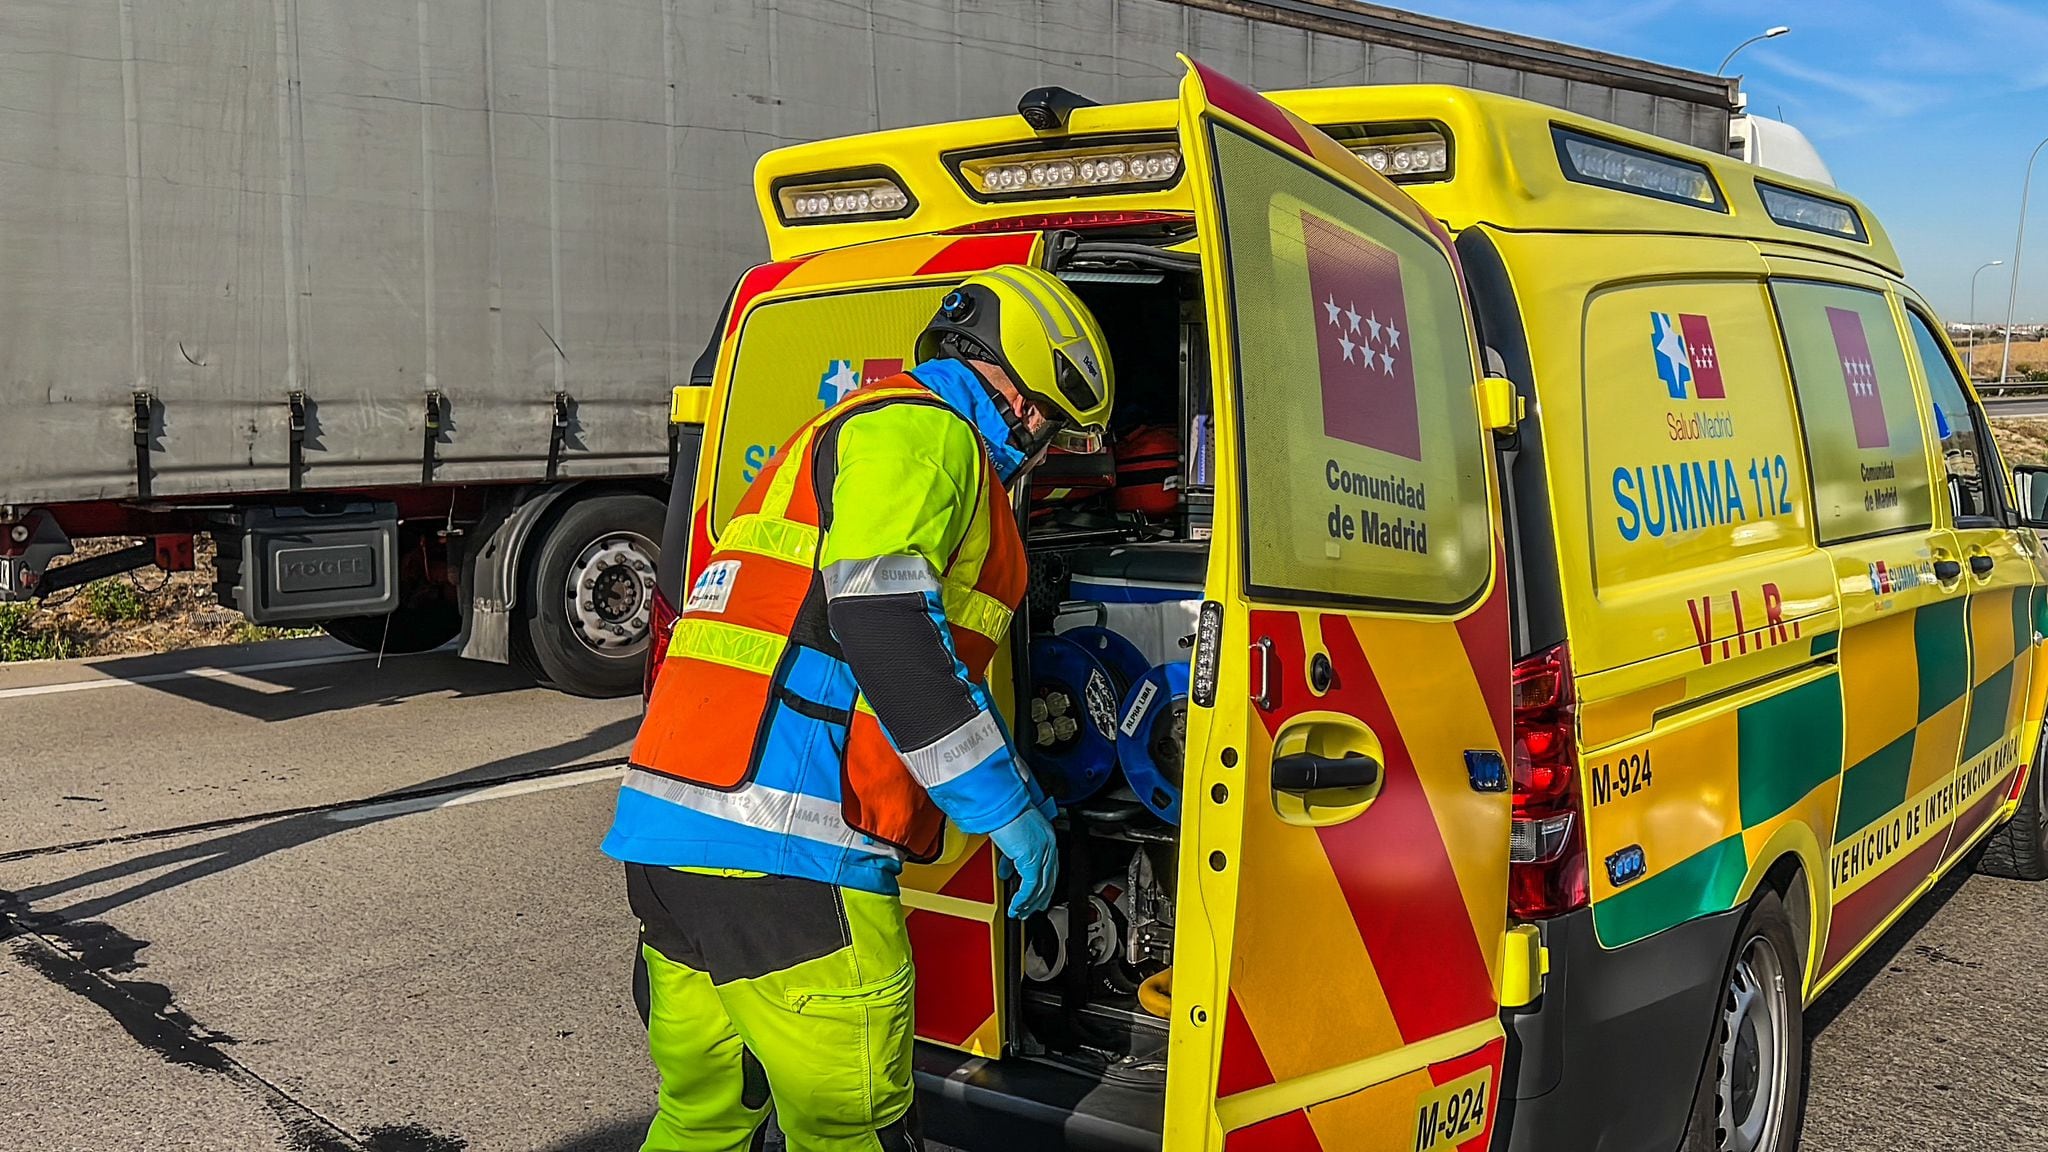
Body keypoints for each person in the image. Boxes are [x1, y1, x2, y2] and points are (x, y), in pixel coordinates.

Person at [605, 264, 1116, 1152]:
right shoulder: (927, 437)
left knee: (703, 1120)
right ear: (1027, 399)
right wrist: (1003, 807)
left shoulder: (838, 432)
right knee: (852, 1132)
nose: (1044, 452)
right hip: (790, 862)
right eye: (1054, 430)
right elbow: (885, 625)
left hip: (669, 843)